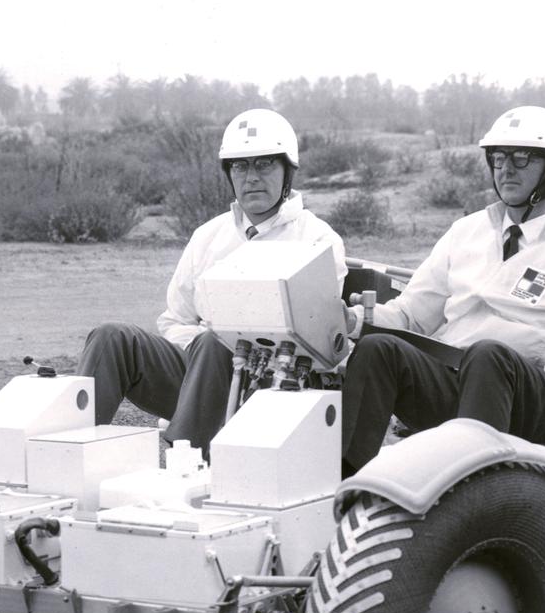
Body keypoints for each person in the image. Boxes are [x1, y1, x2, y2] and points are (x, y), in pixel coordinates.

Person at [340, 105, 545, 494]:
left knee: (489, 354)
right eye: (498, 158)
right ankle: (345, 492)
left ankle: (470, 505)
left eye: (522, 159)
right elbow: (411, 316)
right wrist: (351, 321)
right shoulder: (465, 232)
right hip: (461, 384)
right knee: (378, 349)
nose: (506, 169)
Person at [79, 108, 347, 454]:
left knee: (215, 342)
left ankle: (188, 465)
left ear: (287, 171)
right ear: (229, 174)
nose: (251, 177)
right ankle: (70, 452)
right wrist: (203, 353)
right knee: (111, 338)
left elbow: (323, 342)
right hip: (202, 378)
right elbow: (174, 320)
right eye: (240, 166)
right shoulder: (208, 236)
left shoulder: (318, 239)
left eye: (264, 164)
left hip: (279, 391)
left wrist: (222, 345)